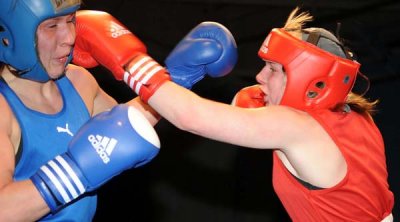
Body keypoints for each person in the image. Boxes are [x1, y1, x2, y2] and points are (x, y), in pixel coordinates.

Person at [75, 7, 394, 222]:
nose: (259, 78)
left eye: (272, 69)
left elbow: (192, 118)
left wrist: (128, 59)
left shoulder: (297, 127)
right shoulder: (357, 116)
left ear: (312, 82)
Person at [0, 1, 236, 221]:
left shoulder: (78, 80)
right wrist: (75, 171)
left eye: (71, 20)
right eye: (52, 26)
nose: (70, 37)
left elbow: (124, 127)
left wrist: (175, 79)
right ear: (10, 36)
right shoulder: (3, 109)